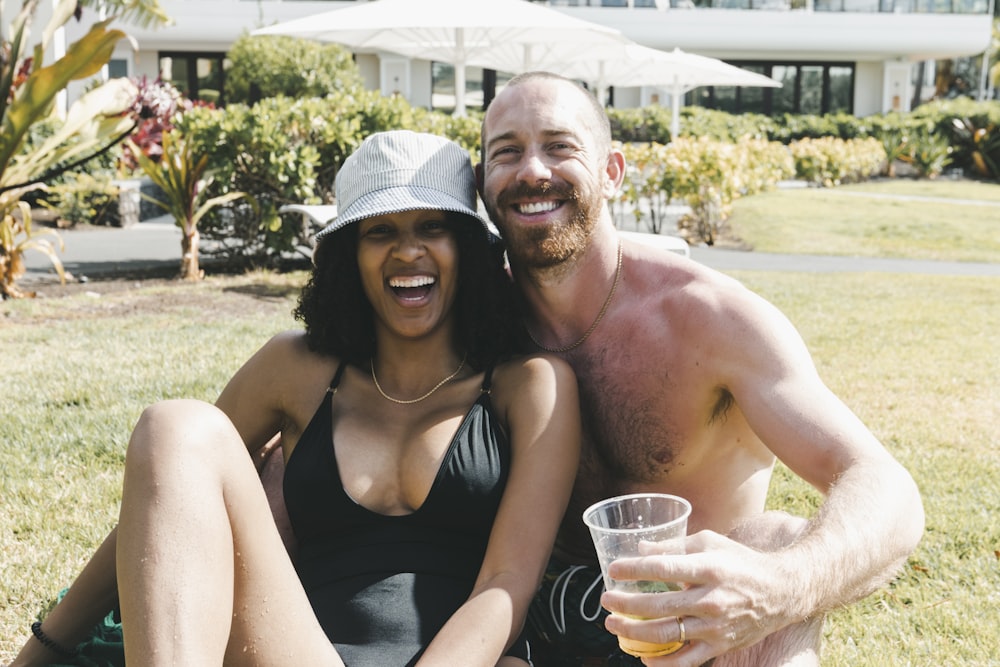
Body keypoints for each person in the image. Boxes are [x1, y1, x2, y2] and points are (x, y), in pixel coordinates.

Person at [9, 130, 580, 666]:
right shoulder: (296, 369)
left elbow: (506, 583)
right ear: (348, 258)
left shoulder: (529, 386)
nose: (408, 252)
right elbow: (168, 509)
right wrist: (42, 650)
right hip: (296, 649)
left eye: (433, 227)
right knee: (174, 427)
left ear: (468, 249)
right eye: (379, 231)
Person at [476, 71, 925, 667]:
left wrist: (782, 587)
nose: (532, 170)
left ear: (612, 171)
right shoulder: (479, 325)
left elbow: (886, 488)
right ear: (483, 184)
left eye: (559, 146)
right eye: (506, 152)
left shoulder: (709, 319)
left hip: (694, 634)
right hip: (538, 621)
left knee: (774, 541)